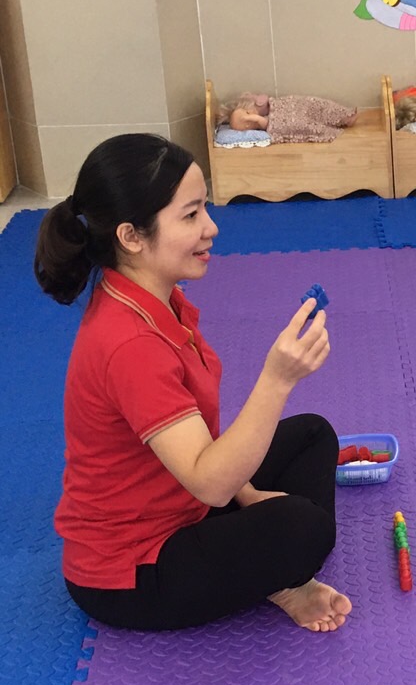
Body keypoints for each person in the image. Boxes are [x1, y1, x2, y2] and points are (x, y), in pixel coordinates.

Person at [33, 134, 350, 632]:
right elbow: (209, 481)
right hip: (132, 571)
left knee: (313, 435)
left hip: (184, 499)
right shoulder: (129, 343)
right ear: (131, 236)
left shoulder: (155, 298)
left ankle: (274, 566)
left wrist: (248, 495)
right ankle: (284, 578)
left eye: (205, 208)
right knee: (305, 529)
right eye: (191, 215)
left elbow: (203, 442)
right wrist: (277, 378)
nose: (211, 227)